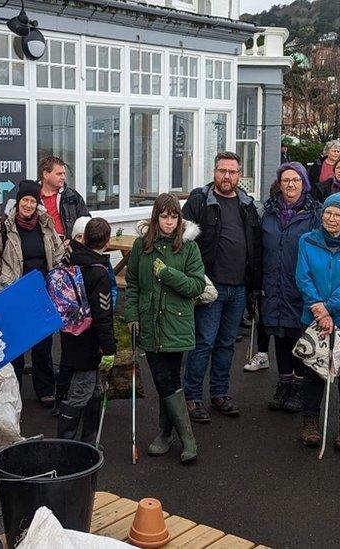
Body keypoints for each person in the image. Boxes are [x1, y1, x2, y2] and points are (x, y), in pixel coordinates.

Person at [125, 193, 206, 463]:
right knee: (165, 381)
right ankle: (173, 436)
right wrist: (131, 315)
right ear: (156, 217)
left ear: (179, 218)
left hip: (176, 322)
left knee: (168, 381)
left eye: (174, 216)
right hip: (150, 322)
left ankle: (176, 436)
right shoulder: (141, 246)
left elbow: (197, 286)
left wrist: (167, 274)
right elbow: (133, 283)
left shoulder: (189, 248)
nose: (169, 222)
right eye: (164, 216)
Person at [180, 151, 261, 421]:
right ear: (214, 172)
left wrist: (253, 286)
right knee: (204, 342)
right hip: (210, 288)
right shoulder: (199, 200)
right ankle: (191, 398)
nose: (227, 176)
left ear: (240, 175)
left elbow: (255, 244)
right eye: (222, 171)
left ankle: (220, 393)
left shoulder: (247, 204)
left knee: (227, 344)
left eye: (232, 172)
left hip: (239, 288)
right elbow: (182, 243)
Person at [0, 180, 67, 403]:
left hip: (41, 294)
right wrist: (2, 291)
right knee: (15, 347)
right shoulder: (3, 227)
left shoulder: (46, 225)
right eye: (24, 200)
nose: (28, 205)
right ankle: (13, 393)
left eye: (32, 201)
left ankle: (45, 389)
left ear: (37, 204)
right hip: (14, 296)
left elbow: (57, 256)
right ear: (18, 202)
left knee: (43, 345)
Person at [295, 193, 340, 451]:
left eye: (338, 214)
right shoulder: (307, 241)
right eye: (328, 213)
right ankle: (310, 422)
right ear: (321, 213)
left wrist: (327, 307)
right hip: (314, 316)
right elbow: (303, 277)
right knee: (313, 372)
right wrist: (319, 309)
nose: (332, 218)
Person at [261, 162, 323, 413]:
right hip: (273, 282)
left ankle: (299, 385)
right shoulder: (268, 211)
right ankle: (283, 382)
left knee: (300, 335)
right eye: (286, 180)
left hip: (301, 285)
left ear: (304, 183)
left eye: (295, 180)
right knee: (281, 334)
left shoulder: (315, 212)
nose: (290, 184)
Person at [57, 218, 117, 442]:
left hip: (70, 333)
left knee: (93, 390)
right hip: (89, 343)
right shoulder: (98, 272)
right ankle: (65, 444)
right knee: (80, 393)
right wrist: (109, 348)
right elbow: (103, 315)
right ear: (107, 241)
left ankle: (88, 441)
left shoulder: (69, 260)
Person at [38, 155, 90, 238]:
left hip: (69, 247)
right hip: (42, 247)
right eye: (59, 174)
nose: (63, 178)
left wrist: (73, 241)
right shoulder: (32, 198)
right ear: (46, 174)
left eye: (63, 174)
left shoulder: (72, 196)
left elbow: (86, 221)